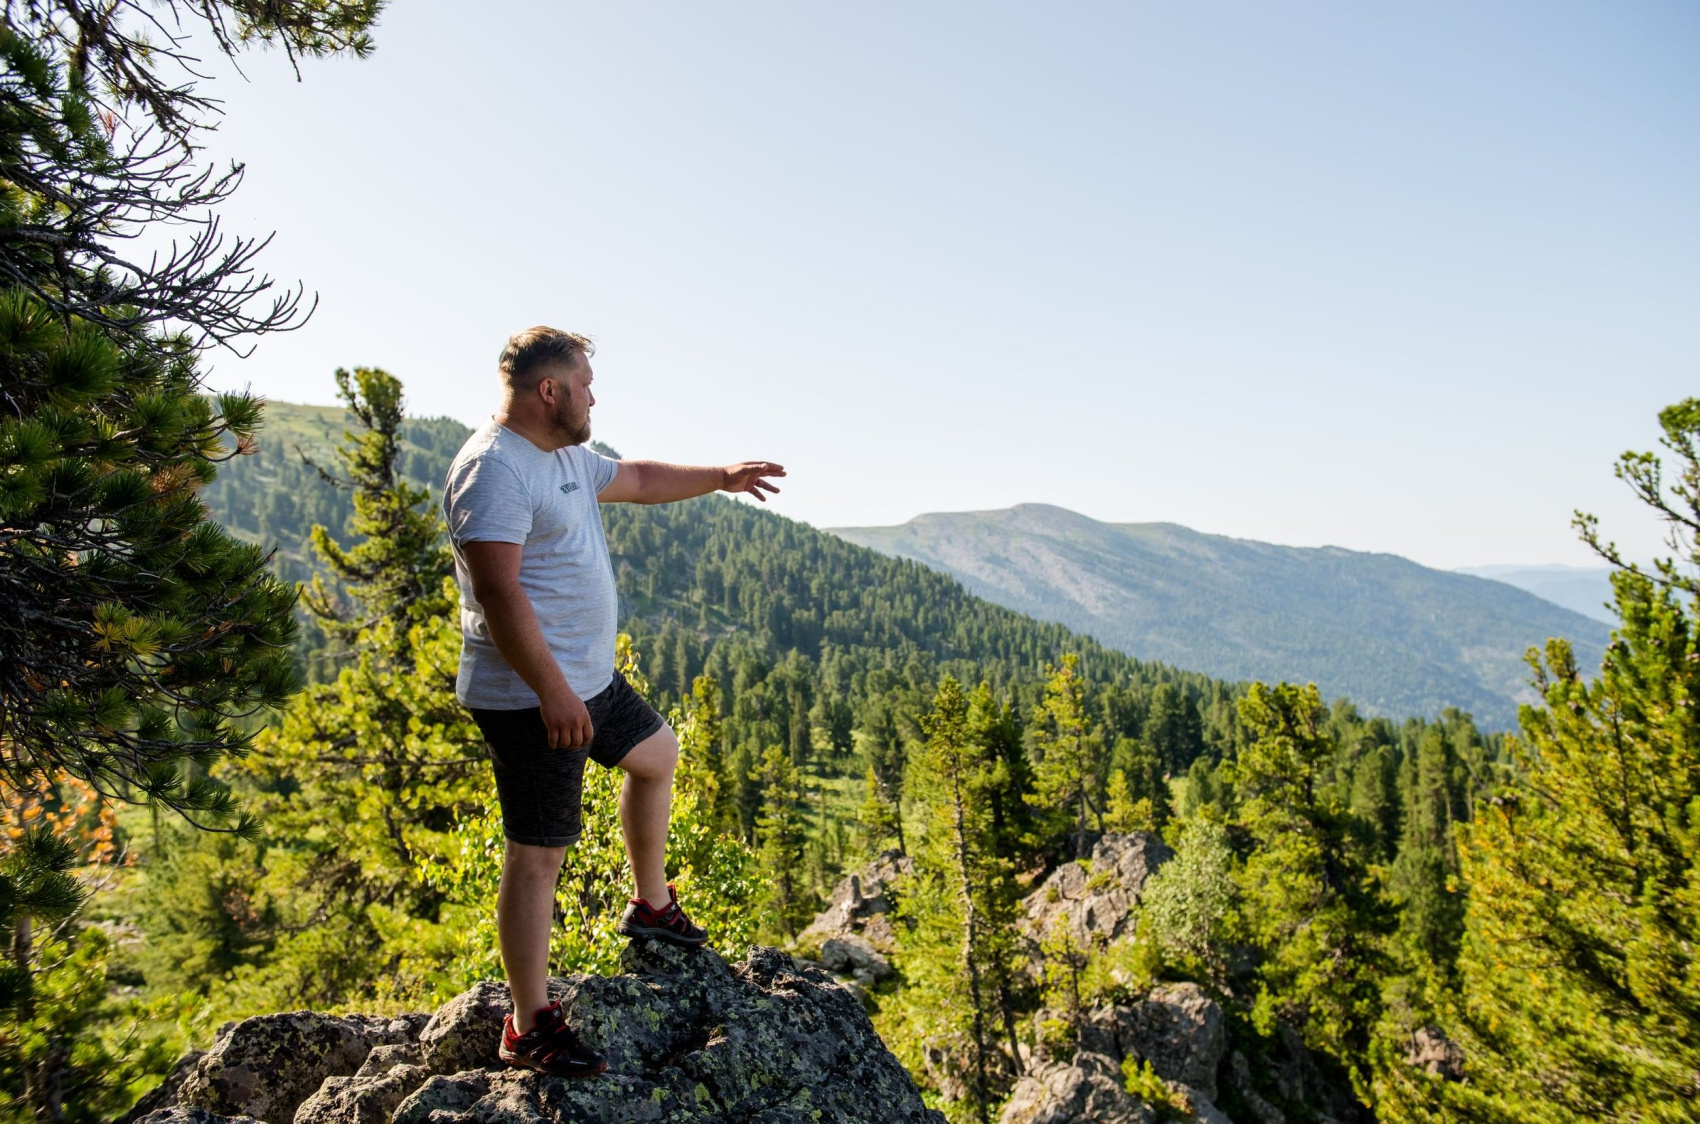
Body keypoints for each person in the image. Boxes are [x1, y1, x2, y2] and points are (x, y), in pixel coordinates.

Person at [441, 326, 785, 1079]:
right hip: (530, 694)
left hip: (586, 677)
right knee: (539, 852)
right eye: (586, 383)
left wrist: (721, 475)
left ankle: (649, 908)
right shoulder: (492, 472)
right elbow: (499, 596)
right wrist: (554, 693)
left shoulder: (560, 456)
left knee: (657, 754)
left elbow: (636, 478)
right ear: (549, 392)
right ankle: (528, 1023)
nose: (595, 395)